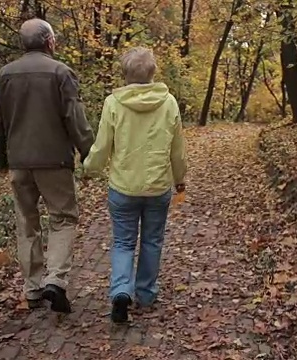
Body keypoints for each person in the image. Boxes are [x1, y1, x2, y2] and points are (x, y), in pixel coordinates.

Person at [0, 18, 95, 313]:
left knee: (27, 222)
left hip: (19, 161)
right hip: (55, 161)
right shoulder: (61, 72)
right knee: (62, 218)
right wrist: (89, 152)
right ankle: (56, 280)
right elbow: (74, 118)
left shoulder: (5, 74)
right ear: (49, 42)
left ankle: (33, 289)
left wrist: (1, 156)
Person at [83, 46, 187, 324]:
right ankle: (146, 293)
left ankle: (120, 291)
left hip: (123, 187)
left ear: (125, 74)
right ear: (153, 73)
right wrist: (180, 179)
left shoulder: (113, 103)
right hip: (157, 187)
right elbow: (177, 150)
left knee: (123, 242)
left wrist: (89, 168)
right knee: (152, 241)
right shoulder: (169, 103)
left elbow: (103, 145)